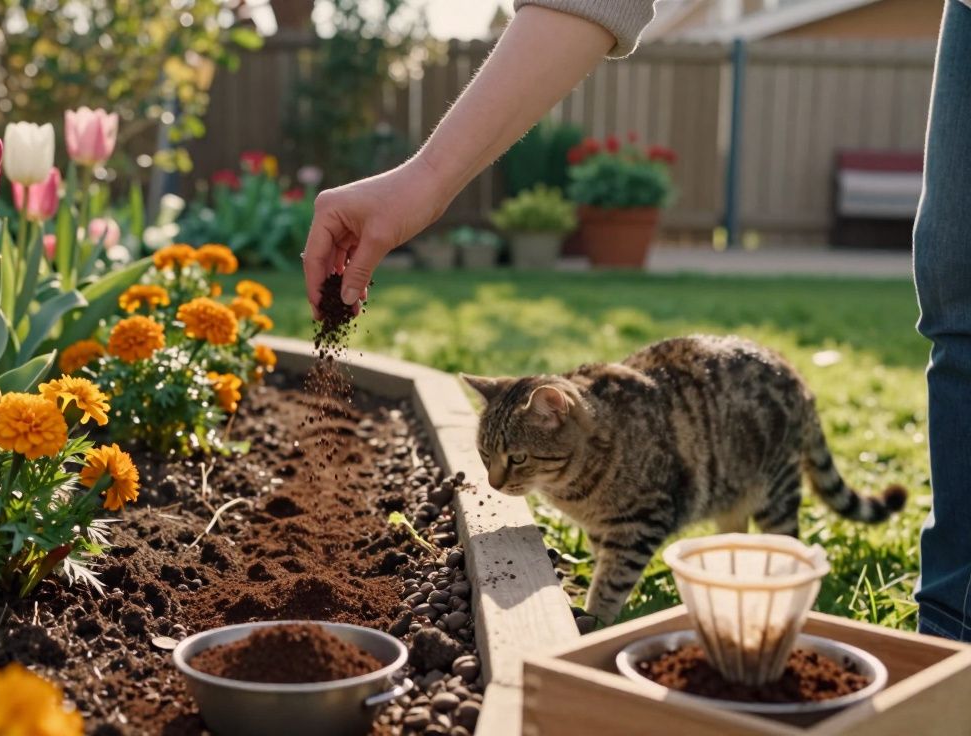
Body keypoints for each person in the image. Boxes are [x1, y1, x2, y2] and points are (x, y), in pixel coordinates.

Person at [302, 1, 971, 643]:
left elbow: (646, 515)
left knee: (764, 509)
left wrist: (597, 609)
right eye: (494, 462)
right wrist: (425, 179)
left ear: (559, 412)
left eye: (508, 462)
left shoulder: (588, 438)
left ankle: (808, 593)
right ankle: (949, 632)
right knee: (956, 309)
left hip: (752, 415)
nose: (499, 483)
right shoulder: (563, 437)